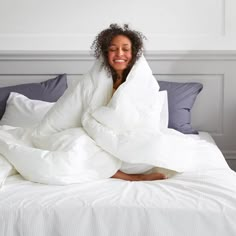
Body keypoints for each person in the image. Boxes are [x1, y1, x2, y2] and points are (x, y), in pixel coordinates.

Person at [91, 24, 166, 181]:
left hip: (133, 143)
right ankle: (128, 177)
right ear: (105, 53)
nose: (119, 54)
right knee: (75, 144)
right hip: (100, 141)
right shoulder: (97, 80)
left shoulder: (142, 81)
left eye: (125, 49)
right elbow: (84, 111)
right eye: (113, 49)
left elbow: (144, 116)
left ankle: (133, 172)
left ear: (133, 53)